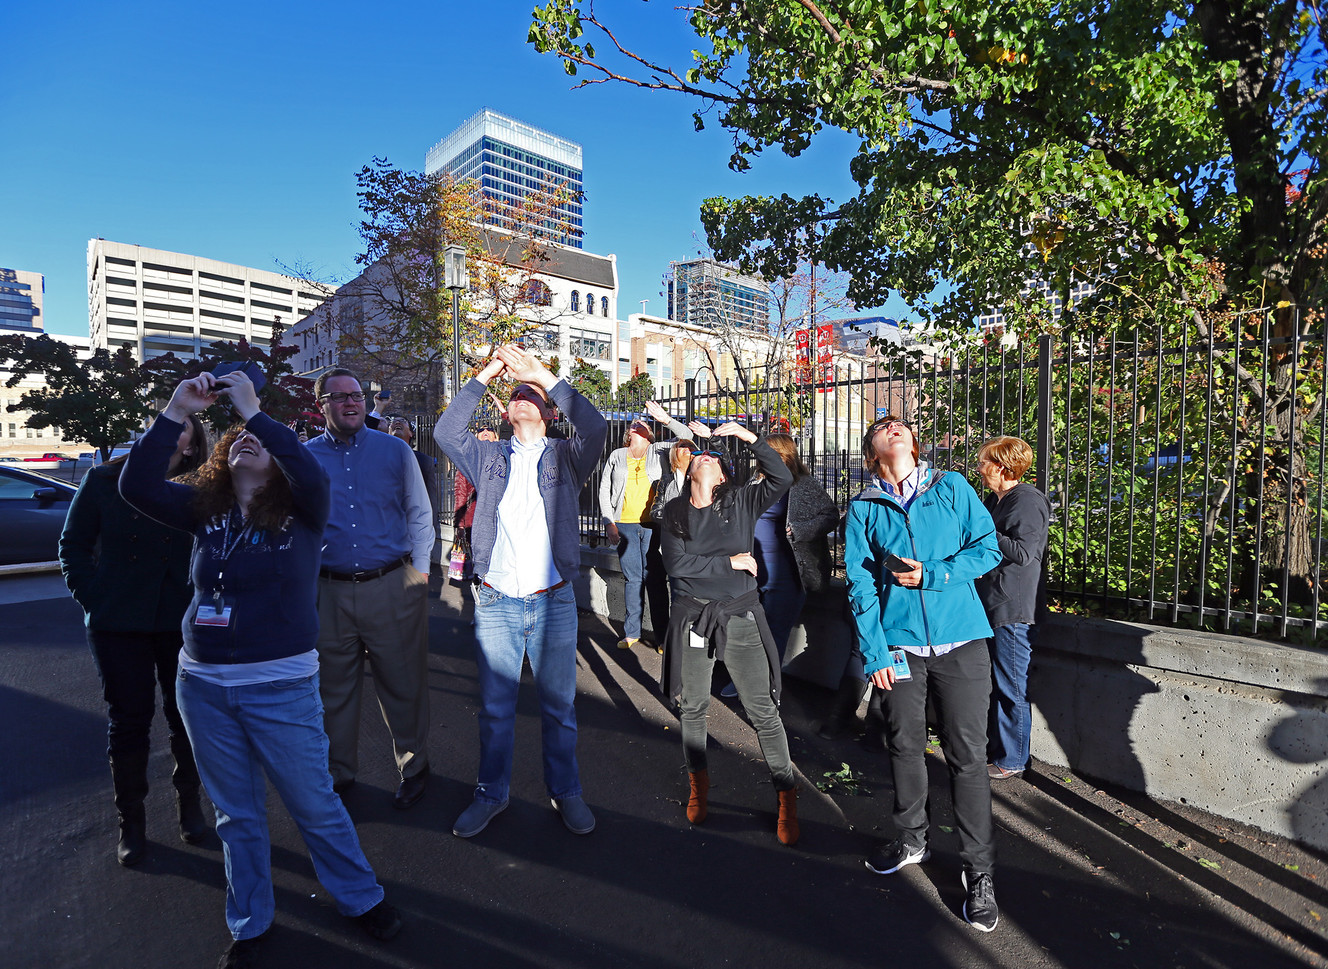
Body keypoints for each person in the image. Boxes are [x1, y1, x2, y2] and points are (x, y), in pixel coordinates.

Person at [119, 371, 401, 968]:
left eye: (262, 442)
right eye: (238, 438)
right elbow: (136, 484)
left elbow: (310, 470)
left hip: (281, 685)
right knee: (236, 815)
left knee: (314, 802)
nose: (248, 442)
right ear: (222, 457)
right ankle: (250, 923)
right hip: (203, 688)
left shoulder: (303, 513)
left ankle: (360, 898)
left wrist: (252, 411)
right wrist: (176, 408)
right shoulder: (204, 510)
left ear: (277, 465)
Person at [434, 344, 608, 839]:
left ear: (550, 412)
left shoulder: (567, 456)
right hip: (496, 600)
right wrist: (487, 372)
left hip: (553, 601)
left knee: (559, 708)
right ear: (506, 411)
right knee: (495, 709)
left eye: (532, 395)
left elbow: (595, 427)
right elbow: (446, 431)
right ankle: (491, 793)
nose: (522, 398)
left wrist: (544, 375)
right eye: (515, 395)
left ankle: (567, 791)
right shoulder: (487, 455)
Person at [844, 416, 1002, 932]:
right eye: (881, 426)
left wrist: (934, 574)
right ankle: (912, 839)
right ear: (873, 449)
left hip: (962, 644)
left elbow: (988, 547)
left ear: (914, 442)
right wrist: (875, 652)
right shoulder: (864, 507)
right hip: (901, 649)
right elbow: (860, 586)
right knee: (904, 745)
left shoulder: (951, 486)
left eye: (899, 425)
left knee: (967, 757)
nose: (892, 428)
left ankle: (979, 873)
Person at [59, 413, 209, 866]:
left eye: (175, 433)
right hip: (117, 623)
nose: (160, 437)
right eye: (155, 430)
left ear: (190, 446)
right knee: (129, 721)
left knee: (185, 719)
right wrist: (94, 598)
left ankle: (189, 805)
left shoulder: (201, 492)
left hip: (181, 624)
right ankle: (132, 819)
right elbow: (73, 546)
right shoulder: (103, 480)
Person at [659, 425, 800, 845]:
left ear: (722, 474)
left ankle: (786, 796)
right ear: (687, 472)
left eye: (714, 457)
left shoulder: (740, 501)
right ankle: (698, 786)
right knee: (693, 707)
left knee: (762, 711)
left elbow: (783, 476)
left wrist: (745, 433)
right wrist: (732, 563)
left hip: (740, 618)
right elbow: (676, 567)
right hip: (693, 621)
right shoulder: (674, 512)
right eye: (699, 455)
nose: (706, 456)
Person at [306, 369, 434, 809]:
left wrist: (419, 573)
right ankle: (339, 774)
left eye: (357, 395)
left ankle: (414, 766)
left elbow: (420, 513)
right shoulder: (305, 458)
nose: (351, 402)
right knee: (333, 690)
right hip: (329, 592)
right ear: (320, 403)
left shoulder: (396, 451)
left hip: (392, 585)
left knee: (403, 683)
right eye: (338, 397)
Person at [974, 436, 1051, 781]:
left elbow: (1023, 552)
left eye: (983, 463)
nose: (979, 469)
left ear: (1002, 467)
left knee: (1011, 686)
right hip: (993, 603)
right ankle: (998, 749)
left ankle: (1013, 759)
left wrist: (984, 528)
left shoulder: (1027, 500)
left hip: (1014, 609)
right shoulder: (996, 498)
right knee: (996, 682)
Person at [598, 400, 692, 650]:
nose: (636, 426)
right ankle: (631, 633)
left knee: (656, 579)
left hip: (654, 525)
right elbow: (604, 488)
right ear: (628, 433)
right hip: (624, 524)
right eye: (633, 425)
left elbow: (687, 437)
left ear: (649, 432)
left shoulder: (659, 449)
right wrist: (609, 522)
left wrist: (665, 420)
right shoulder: (617, 455)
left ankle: (662, 637)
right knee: (632, 579)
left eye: (642, 424)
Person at [452, 427, 499, 581]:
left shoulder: (505, 455)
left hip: (499, 517)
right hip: (475, 519)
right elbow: (460, 490)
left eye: (489, 429)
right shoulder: (468, 459)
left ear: (496, 436)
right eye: (481, 430)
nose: (485, 431)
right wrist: (459, 522)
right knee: (479, 557)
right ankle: (481, 585)